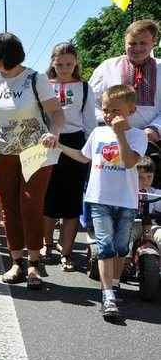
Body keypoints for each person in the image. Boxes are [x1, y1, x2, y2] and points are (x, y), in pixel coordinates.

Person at [57, 85, 146, 320]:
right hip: (98, 199)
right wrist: (59, 146)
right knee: (105, 246)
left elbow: (128, 162)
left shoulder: (138, 136)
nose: (109, 115)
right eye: (105, 110)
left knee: (120, 248)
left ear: (131, 109)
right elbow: (82, 156)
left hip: (125, 201)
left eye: (115, 110)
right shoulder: (97, 134)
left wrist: (119, 134)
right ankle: (107, 295)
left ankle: (114, 284)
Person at [0, 32, 65, 289]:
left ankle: (34, 263)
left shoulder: (34, 78)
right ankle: (16, 261)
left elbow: (56, 113)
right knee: (9, 207)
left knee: (30, 205)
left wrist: (54, 133)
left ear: (4, 54)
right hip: (3, 154)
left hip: (35, 151)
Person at [42, 42, 97, 271]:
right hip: (47, 142)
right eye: (60, 63)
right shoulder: (43, 85)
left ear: (76, 63)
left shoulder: (84, 87)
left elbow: (90, 122)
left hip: (75, 143)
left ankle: (66, 252)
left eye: (69, 63)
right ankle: (46, 244)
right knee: (48, 198)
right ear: (53, 63)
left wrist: (92, 151)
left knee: (72, 201)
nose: (64, 68)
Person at [90, 20, 161, 143]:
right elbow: (90, 102)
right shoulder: (107, 67)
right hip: (113, 138)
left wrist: (155, 128)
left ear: (153, 42)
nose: (137, 48)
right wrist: (107, 121)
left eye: (143, 43)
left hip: (152, 140)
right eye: (132, 43)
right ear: (125, 43)